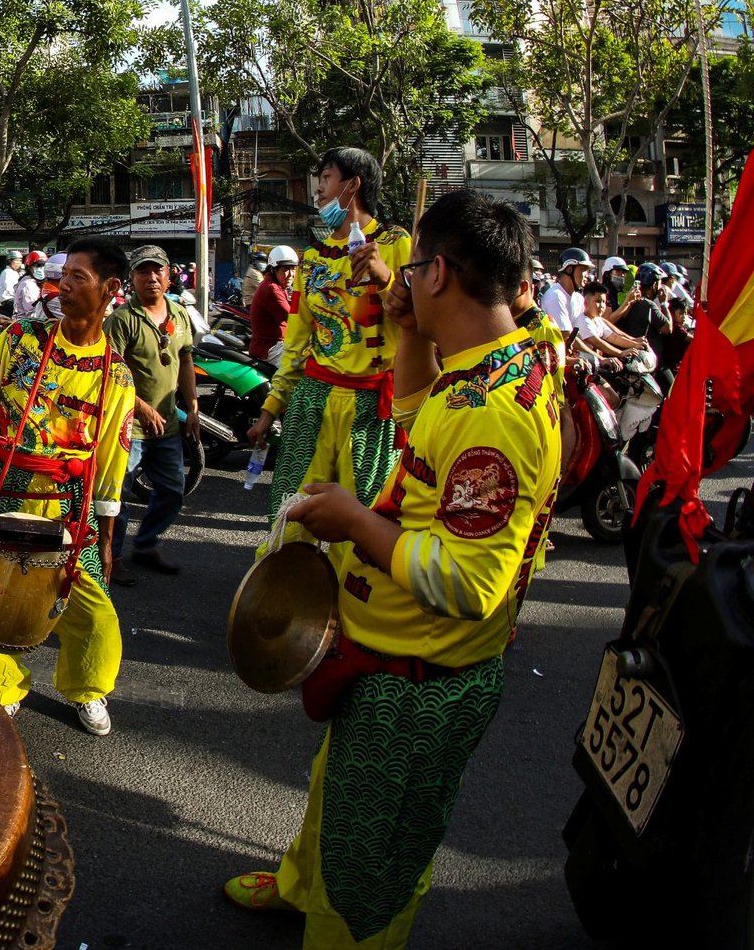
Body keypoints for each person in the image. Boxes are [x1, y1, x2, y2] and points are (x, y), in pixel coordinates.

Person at [225, 190, 562, 950]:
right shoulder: (484, 368)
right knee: (333, 799)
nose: (399, 282)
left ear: (438, 271)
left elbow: (468, 584)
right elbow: (420, 427)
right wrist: (408, 334)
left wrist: (352, 521)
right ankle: (298, 886)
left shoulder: (496, 407)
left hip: (419, 680)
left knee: (370, 869)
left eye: (410, 272)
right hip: (384, 654)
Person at [0, 237, 136, 734]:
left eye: (79, 277)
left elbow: (112, 462)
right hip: (9, 485)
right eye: (64, 274)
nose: (64, 285)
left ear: (110, 290)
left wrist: (106, 533)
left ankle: (87, 688)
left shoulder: (116, 375)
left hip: (71, 501)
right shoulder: (21, 339)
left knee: (93, 609)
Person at [247, 148, 413, 533]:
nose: (318, 189)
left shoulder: (396, 243)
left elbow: (420, 323)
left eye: (325, 178)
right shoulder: (314, 259)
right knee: (291, 512)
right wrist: (270, 410)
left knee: (365, 519)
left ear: (352, 185)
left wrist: (386, 276)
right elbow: (297, 345)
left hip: (373, 406)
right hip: (313, 399)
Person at [103, 245, 198, 580]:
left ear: (169, 275)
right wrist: (141, 407)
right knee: (118, 494)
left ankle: (145, 545)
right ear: (132, 278)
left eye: (157, 270)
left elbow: (186, 359)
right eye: (143, 271)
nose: (152, 277)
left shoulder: (180, 314)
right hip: (128, 426)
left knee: (173, 490)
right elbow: (109, 372)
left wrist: (194, 405)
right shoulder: (121, 321)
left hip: (167, 423)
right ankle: (109, 558)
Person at [250, 245, 298, 362]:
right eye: (285, 270)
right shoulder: (272, 288)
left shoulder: (279, 287)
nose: (291, 275)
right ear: (273, 269)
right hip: (270, 348)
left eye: (293, 269)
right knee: (302, 368)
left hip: (278, 344)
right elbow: (293, 317)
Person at [539, 247, 591, 334]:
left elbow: (591, 326)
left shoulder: (578, 297)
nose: (587, 275)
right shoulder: (555, 296)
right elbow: (565, 335)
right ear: (569, 270)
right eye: (583, 269)